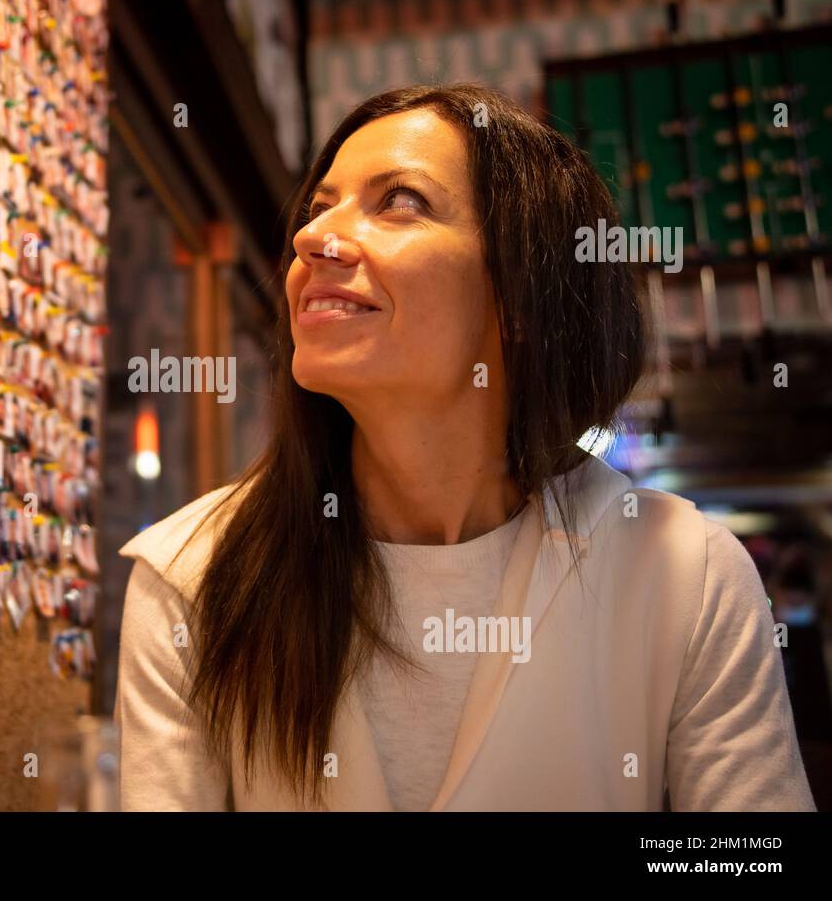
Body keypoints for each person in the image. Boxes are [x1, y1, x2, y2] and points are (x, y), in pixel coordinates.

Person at [114, 84, 817, 813]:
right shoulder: (193, 578)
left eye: (399, 202)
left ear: (518, 295)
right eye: (320, 206)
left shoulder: (684, 573)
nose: (309, 237)